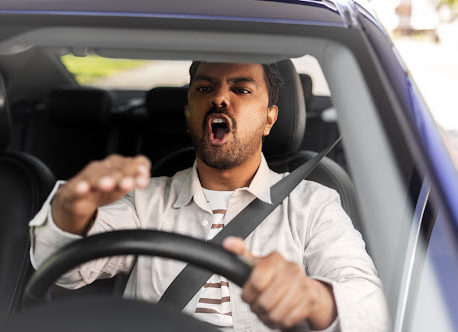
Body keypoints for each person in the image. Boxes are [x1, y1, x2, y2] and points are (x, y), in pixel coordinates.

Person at [29, 62, 388, 332]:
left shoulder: (314, 203)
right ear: (189, 112)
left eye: (242, 89)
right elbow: (67, 270)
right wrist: (70, 212)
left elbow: (371, 306)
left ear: (269, 118)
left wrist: (312, 296)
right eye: (204, 88)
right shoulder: (146, 199)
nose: (219, 98)